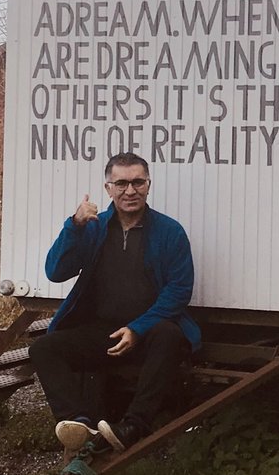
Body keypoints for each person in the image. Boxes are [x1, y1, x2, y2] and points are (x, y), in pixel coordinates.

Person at [28, 151, 200, 454]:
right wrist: (74, 226)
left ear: (148, 185)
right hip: (104, 334)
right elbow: (55, 271)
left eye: (137, 182)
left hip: (149, 334)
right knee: (43, 348)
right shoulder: (93, 227)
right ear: (108, 188)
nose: (130, 191)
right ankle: (78, 423)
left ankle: (133, 425)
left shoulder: (170, 231)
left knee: (170, 335)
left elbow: (179, 290)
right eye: (121, 184)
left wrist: (137, 329)